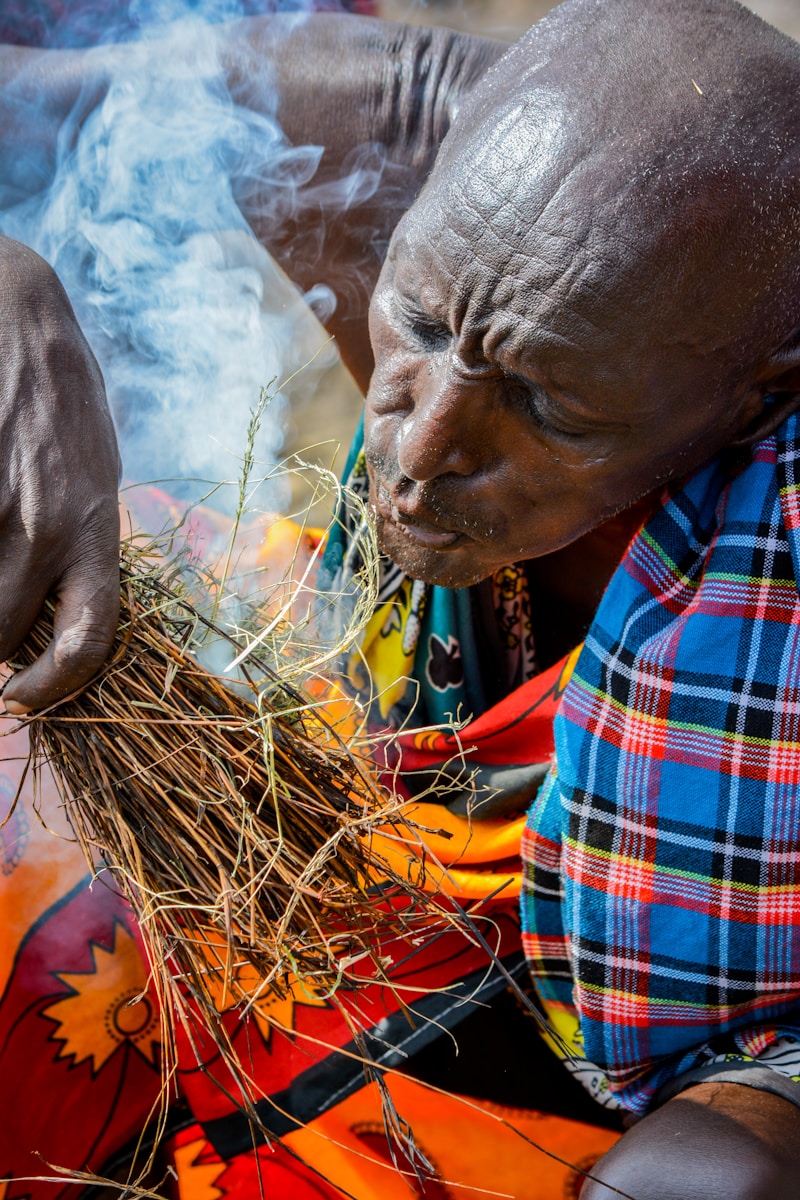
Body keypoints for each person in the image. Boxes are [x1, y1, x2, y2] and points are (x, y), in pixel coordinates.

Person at [1, 0, 800, 1196]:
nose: (422, 447)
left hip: (619, 1053)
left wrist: (753, 1125)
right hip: (321, 772)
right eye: (415, 322)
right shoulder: (411, 133)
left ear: (751, 398)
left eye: (548, 410)